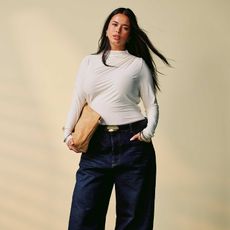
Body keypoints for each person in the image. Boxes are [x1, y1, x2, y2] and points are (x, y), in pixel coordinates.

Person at [63, 7, 170, 230]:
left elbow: (151, 105)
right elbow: (78, 99)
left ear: (130, 34)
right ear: (107, 28)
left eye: (125, 27)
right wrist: (67, 134)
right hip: (96, 144)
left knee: (134, 219)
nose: (118, 31)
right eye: (114, 24)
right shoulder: (89, 63)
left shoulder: (137, 65)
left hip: (133, 145)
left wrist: (148, 133)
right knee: (83, 217)